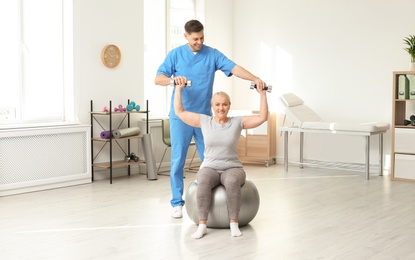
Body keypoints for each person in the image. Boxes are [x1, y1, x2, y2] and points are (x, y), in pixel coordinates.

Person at [155, 19, 267, 219]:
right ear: (186, 37)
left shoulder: (212, 54)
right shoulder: (175, 55)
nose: (199, 41)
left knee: (210, 160)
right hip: (181, 116)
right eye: (195, 39)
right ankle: (177, 203)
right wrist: (174, 80)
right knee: (178, 160)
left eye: (202, 38)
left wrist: (254, 78)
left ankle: (214, 198)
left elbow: (234, 68)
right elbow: (158, 78)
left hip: (205, 118)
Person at [174, 81, 269, 239]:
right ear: (212, 106)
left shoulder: (237, 122)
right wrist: (178, 89)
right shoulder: (205, 121)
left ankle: (233, 223)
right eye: (217, 104)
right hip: (209, 167)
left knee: (232, 181)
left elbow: (262, 117)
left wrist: (263, 94)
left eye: (224, 104)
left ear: (229, 106)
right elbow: (179, 111)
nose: (221, 108)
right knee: (203, 179)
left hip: (233, 168)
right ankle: (202, 224)